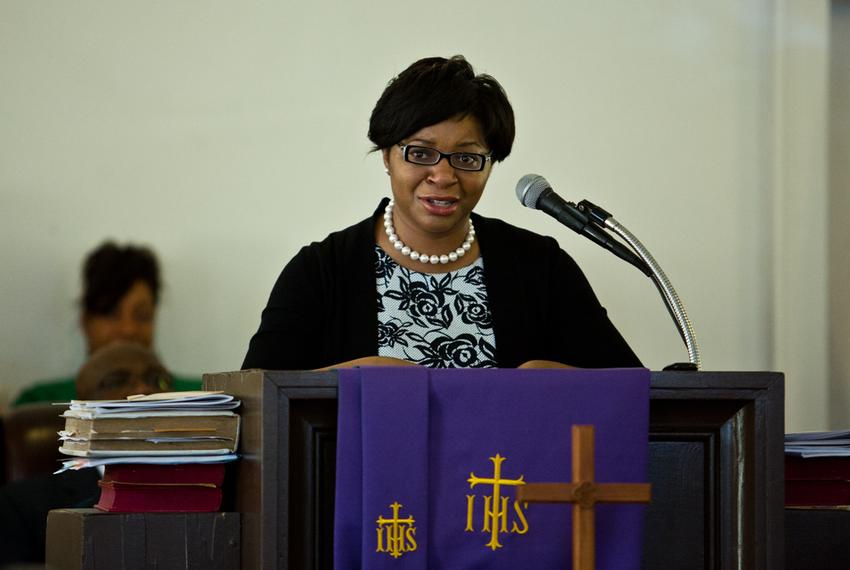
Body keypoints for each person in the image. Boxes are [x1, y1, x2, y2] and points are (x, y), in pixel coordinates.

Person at [242, 55, 640, 371]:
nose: (444, 175)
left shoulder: (540, 266)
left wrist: (558, 381)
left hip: (505, 474)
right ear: (387, 155)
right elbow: (257, 401)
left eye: (467, 157)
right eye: (420, 153)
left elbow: (632, 393)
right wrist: (348, 379)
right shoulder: (321, 271)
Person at [0, 341, 173, 566]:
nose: (144, 390)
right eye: (117, 381)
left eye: (157, 380)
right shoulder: (19, 505)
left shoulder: (214, 486)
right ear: (83, 407)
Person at [12, 241, 199, 406]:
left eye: (142, 315)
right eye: (111, 314)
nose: (128, 329)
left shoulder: (202, 398)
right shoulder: (40, 403)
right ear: (86, 321)